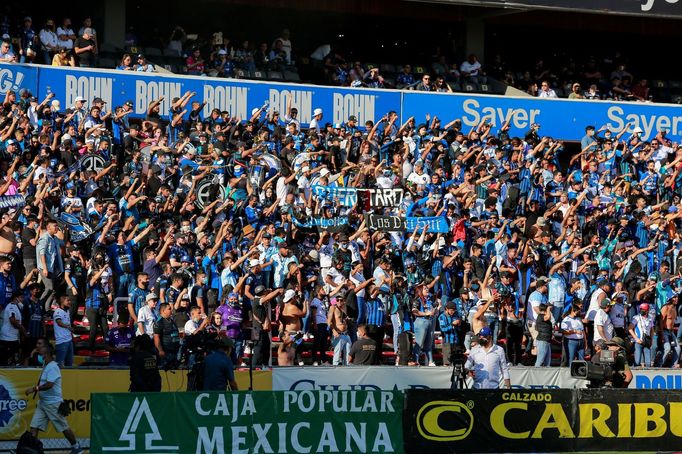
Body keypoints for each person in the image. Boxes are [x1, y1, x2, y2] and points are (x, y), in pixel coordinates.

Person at [24, 337, 83, 453]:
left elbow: (49, 385)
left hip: (53, 404)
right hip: (43, 403)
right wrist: (32, 354)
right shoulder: (46, 365)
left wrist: (34, 389)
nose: (37, 346)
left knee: (64, 427)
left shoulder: (53, 367)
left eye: (40, 344)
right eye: (37, 344)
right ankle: (32, 450)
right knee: (34, 427)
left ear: (47, 349)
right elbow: (31, 358)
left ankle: (76, 447)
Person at [153, 302, 180, 368]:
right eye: (169, 309)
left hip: (175, 351)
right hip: (166, 352)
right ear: (163, 311)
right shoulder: (159, 322)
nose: (171, 310)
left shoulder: (171, 320)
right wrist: (160, 350)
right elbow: (156, 337)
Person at [629, 303, 654, 367]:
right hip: (638, 342)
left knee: (648, 363)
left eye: (643, 309)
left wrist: (651, 340)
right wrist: (636, 339)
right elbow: (630, 328)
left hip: (647, 341)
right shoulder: (636, 317)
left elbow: (652, 330)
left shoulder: (650, 318)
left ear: (647, 310)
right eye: (641, 309)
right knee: (637, 361)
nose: (641, 311)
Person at [561, 304, 586, 368]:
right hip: (571, 342)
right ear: (573, 311)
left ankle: (580, 374)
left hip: (581, 341)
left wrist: (585, 342)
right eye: (577, 311)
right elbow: (564, 331)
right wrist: (575, 331)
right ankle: (570, 374)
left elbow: (583, 331)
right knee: (571, 359)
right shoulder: (566, 319)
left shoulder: (578, 319)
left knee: (582, 360)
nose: (578, 312)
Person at [53, 296, 74, 367]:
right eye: (68, 300)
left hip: (69, 340)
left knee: (69, 364)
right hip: (61, 342)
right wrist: (68, 327)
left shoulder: (67, 311)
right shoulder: (58, 311)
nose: (70, 302)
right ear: (62, 302)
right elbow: (59, 322)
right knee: (59, 364)